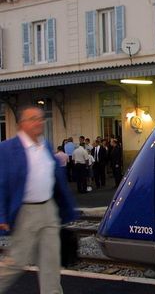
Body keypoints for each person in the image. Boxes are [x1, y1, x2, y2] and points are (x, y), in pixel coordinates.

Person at [0, 105, 77, 294]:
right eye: (33, 118)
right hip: (26, 212)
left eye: (41, 118)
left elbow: (56, 178)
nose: (39, 122)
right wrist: (1, 215)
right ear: (22, 124)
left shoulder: (46, 145)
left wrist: (66, 208)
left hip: (48, 209)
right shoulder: (7, 149)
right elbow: (0, 184)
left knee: (50, 261)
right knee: (16, 261)